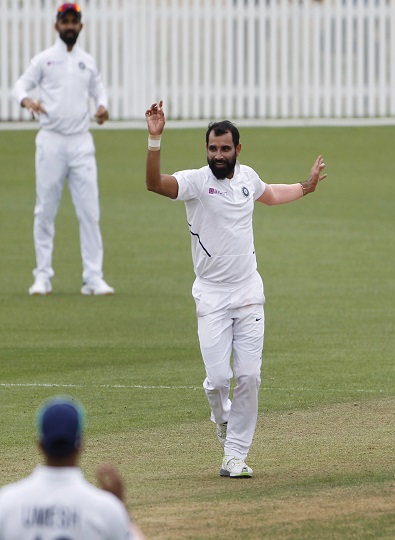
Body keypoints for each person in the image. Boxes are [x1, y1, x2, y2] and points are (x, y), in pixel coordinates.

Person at [144, 100, 328, 477]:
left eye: (225, 148)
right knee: (220, 380)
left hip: (248, 294)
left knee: (249, 377)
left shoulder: (247, 179)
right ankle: (221, 418)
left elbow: (271, 193)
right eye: (213, 148)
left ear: (237, 150)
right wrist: (154, 139)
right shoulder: (196, 182)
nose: (218, 155)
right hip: (211, 296)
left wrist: (306, 187)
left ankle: (235, 455)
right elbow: (154, 184)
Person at [12, 3, 114, 296]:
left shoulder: (87, 61)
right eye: (65, 21)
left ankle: (93, 278)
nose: (70, 26)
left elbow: (99, 91)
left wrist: (102, 108)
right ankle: (42, 277)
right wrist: (26, 101)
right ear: (57, 26)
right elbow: (20, 86)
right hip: (51, 140)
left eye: (74, 21)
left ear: (80, 26)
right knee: (45, 210)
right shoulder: (44, 60)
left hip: (81, 142)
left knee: (90, 211)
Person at [0, 396, 143, 539]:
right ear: (80, 445)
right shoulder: (105, 509)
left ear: (40, 445)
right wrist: (120, 508)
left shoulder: (6, 503)